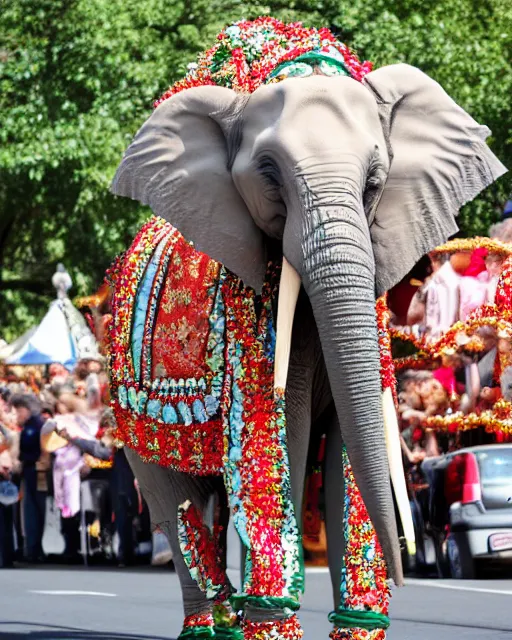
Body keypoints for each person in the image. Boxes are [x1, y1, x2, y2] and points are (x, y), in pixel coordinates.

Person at [11, 394, 48, 563]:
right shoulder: (28, 426)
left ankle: (34, 549)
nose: (18, 414)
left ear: (26, 409)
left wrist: (22, 460)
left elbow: (36, 449)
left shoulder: (36, 425)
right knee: (31, 511)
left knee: (34, 511)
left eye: (19, 410)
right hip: (29, 470)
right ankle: (33, 548)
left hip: (36, 471)